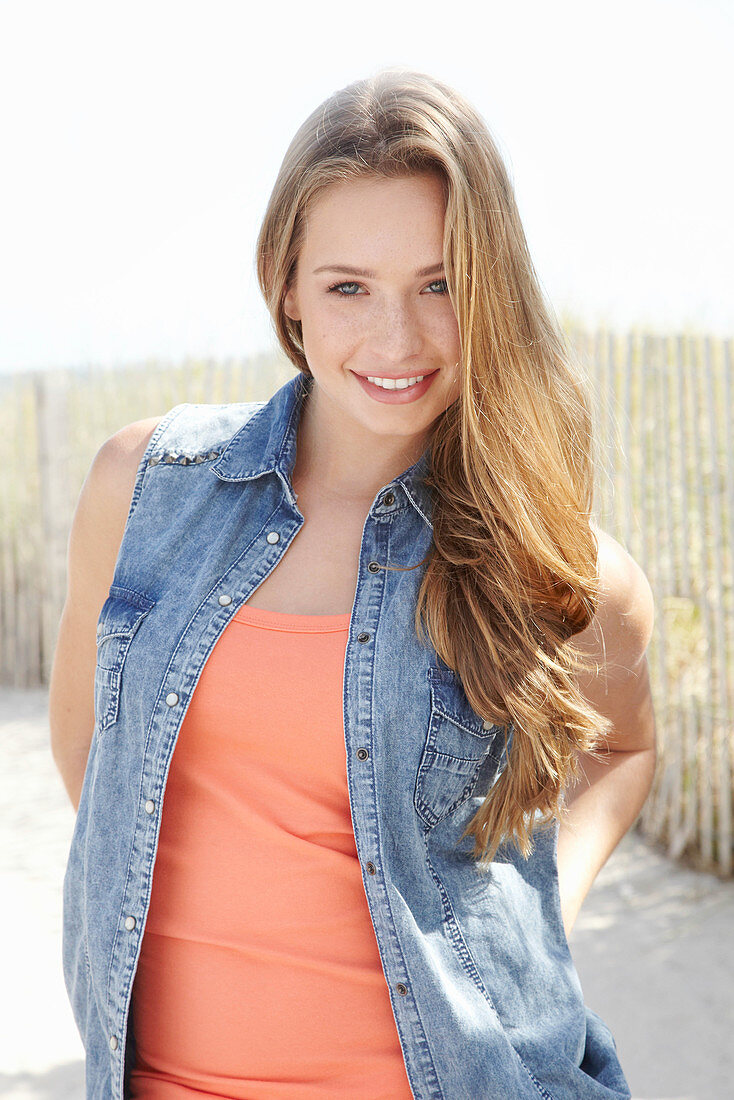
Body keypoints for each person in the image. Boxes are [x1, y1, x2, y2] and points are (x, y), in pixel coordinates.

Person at [50, 67, 656, 1100]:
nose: (396, 340)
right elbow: (98, 765)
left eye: (440, 283)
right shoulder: (143, 489)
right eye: (347, 286)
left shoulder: (555, 566)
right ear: (284, 284)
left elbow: (622, 744)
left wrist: (532, 898)